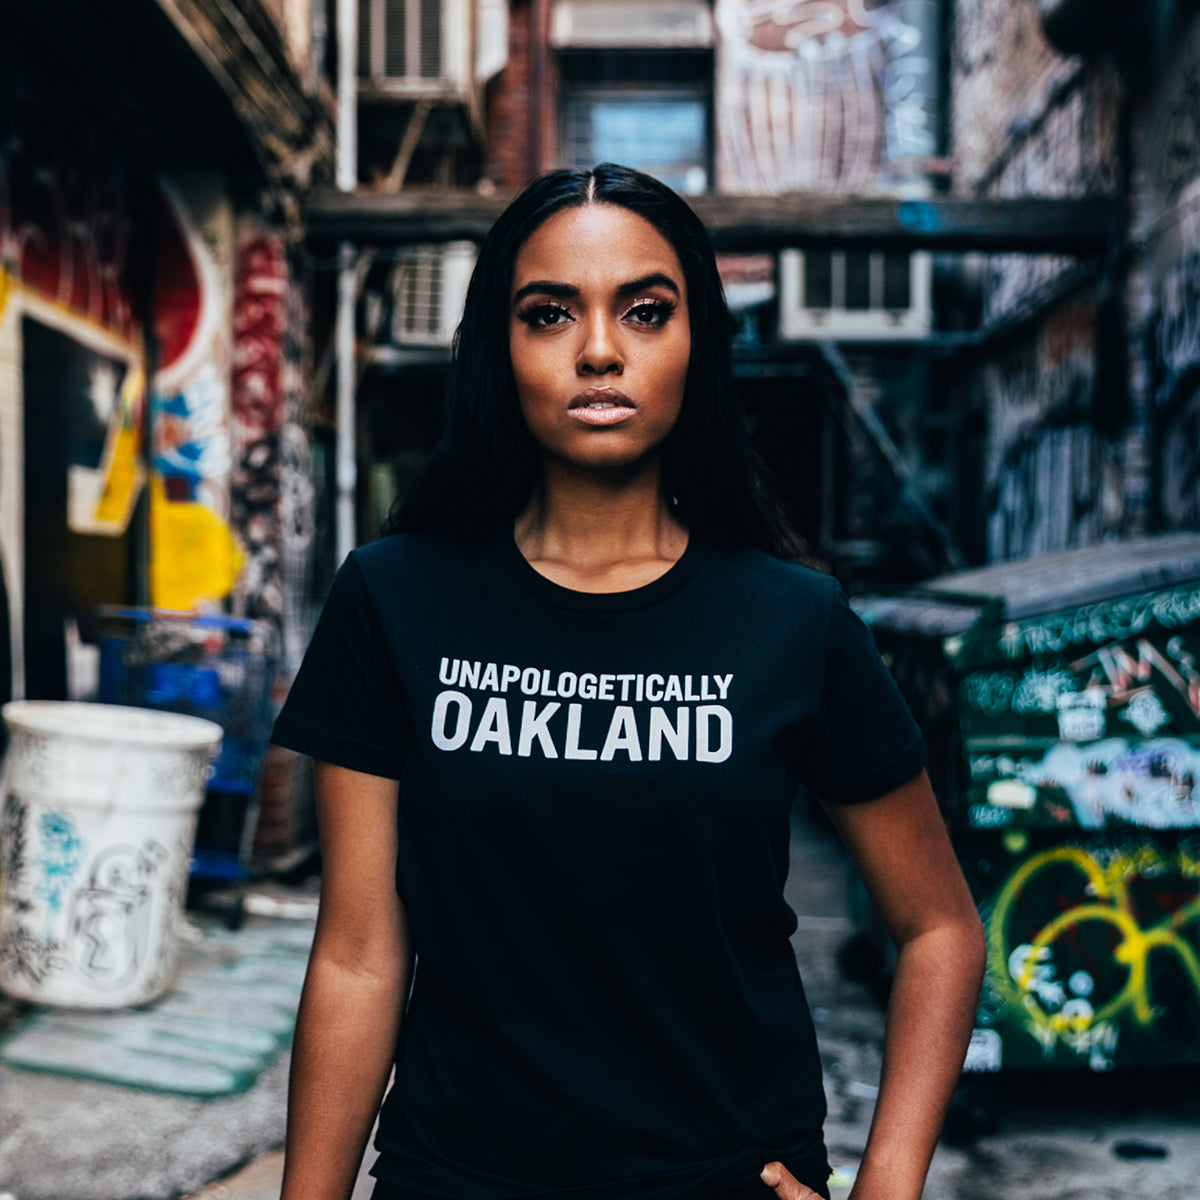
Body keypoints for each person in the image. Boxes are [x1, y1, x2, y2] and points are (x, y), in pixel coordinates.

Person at [272, 164, 985, 1200]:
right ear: (499, 348)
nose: (599, 349)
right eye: (550, 312)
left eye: (646, 311)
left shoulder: (793, 618)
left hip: (729, 1177)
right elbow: (358, 956)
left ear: (698, 344)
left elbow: (940, 930)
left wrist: (888, 1184)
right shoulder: (395, 597)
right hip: (459, 1178)